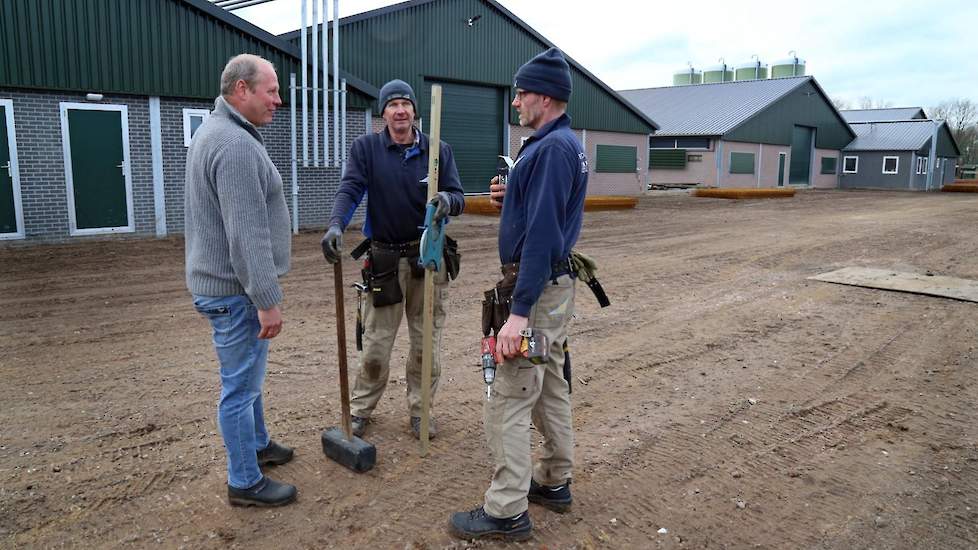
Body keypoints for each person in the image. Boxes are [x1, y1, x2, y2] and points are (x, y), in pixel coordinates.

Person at [449, 47, 588, 541]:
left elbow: (545, 235)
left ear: (544, 97)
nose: (516, 103)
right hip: (555, 288)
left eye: (521, 94)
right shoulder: (560, 143)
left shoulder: (550, 149)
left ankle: (506, 509)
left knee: (508, 396)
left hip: (537, 288)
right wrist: (513, 197)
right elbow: (550, 212)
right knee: (549, 384)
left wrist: (519, 314)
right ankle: (553, 480)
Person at [320, 79, 464, 440]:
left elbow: (459, 195)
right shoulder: (366, 149)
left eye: (406, 103)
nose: (400, 110)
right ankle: (359, 410)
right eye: (392, 104)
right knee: (375, 345)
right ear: (382, 112)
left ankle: (421, 412)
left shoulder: (438, 150)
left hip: (427, 260)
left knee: (425, 344)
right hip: (384, 261)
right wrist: (336, 224)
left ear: (415, 110)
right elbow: (350, 188)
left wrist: (447, 200)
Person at [185, 54, 296, 507]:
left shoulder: (221, 131)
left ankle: (258, 446)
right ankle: (244, 482)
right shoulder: (233, 144)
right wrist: (267, 299)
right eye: (270, 91)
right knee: (239, 388)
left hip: (226, 287)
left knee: (248, 378)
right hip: (236, 292)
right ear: (241, 90)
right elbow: (245, 233)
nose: (278, 100)